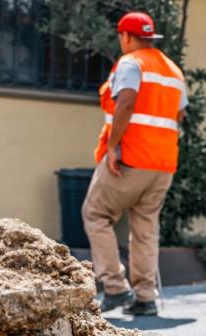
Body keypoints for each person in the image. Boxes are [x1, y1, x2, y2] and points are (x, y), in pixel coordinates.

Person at [82, 11, 188, 316]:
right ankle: (145, 296)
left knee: (96, 213)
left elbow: (126, 101)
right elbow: (179, 114)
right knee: (145, 229)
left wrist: (112, 147)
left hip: (131, 158)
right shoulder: (173, 71)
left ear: (126, 36)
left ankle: (115, 287)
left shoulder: (131, 63)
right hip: (163, 163)